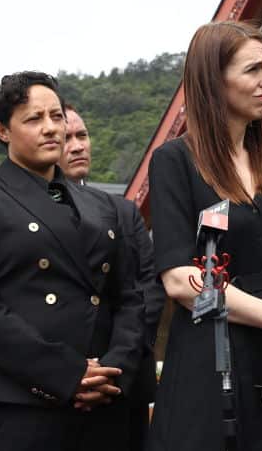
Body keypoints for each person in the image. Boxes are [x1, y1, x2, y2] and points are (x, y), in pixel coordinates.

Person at [146, 21, 262, 451]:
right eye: (254, 70)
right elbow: (181, 280)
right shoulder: (174, 161)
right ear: (214, 82)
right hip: (215, 355)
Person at [0, 72, 144, 451]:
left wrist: (113, 371)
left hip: (101, 401)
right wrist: (68, 374)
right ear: (3, 131)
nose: (52, 128)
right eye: (34, 119)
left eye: (57, 116)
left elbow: (130, 296)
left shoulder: (102, 205)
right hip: (14, 403)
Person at [59, 106, 166, 451]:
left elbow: (149, 289)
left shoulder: (123, 211)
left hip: (124, 386)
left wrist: (113, 366)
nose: (78, 146)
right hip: (57, 388)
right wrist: (75, 370)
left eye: (82, 135)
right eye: (67, 138)